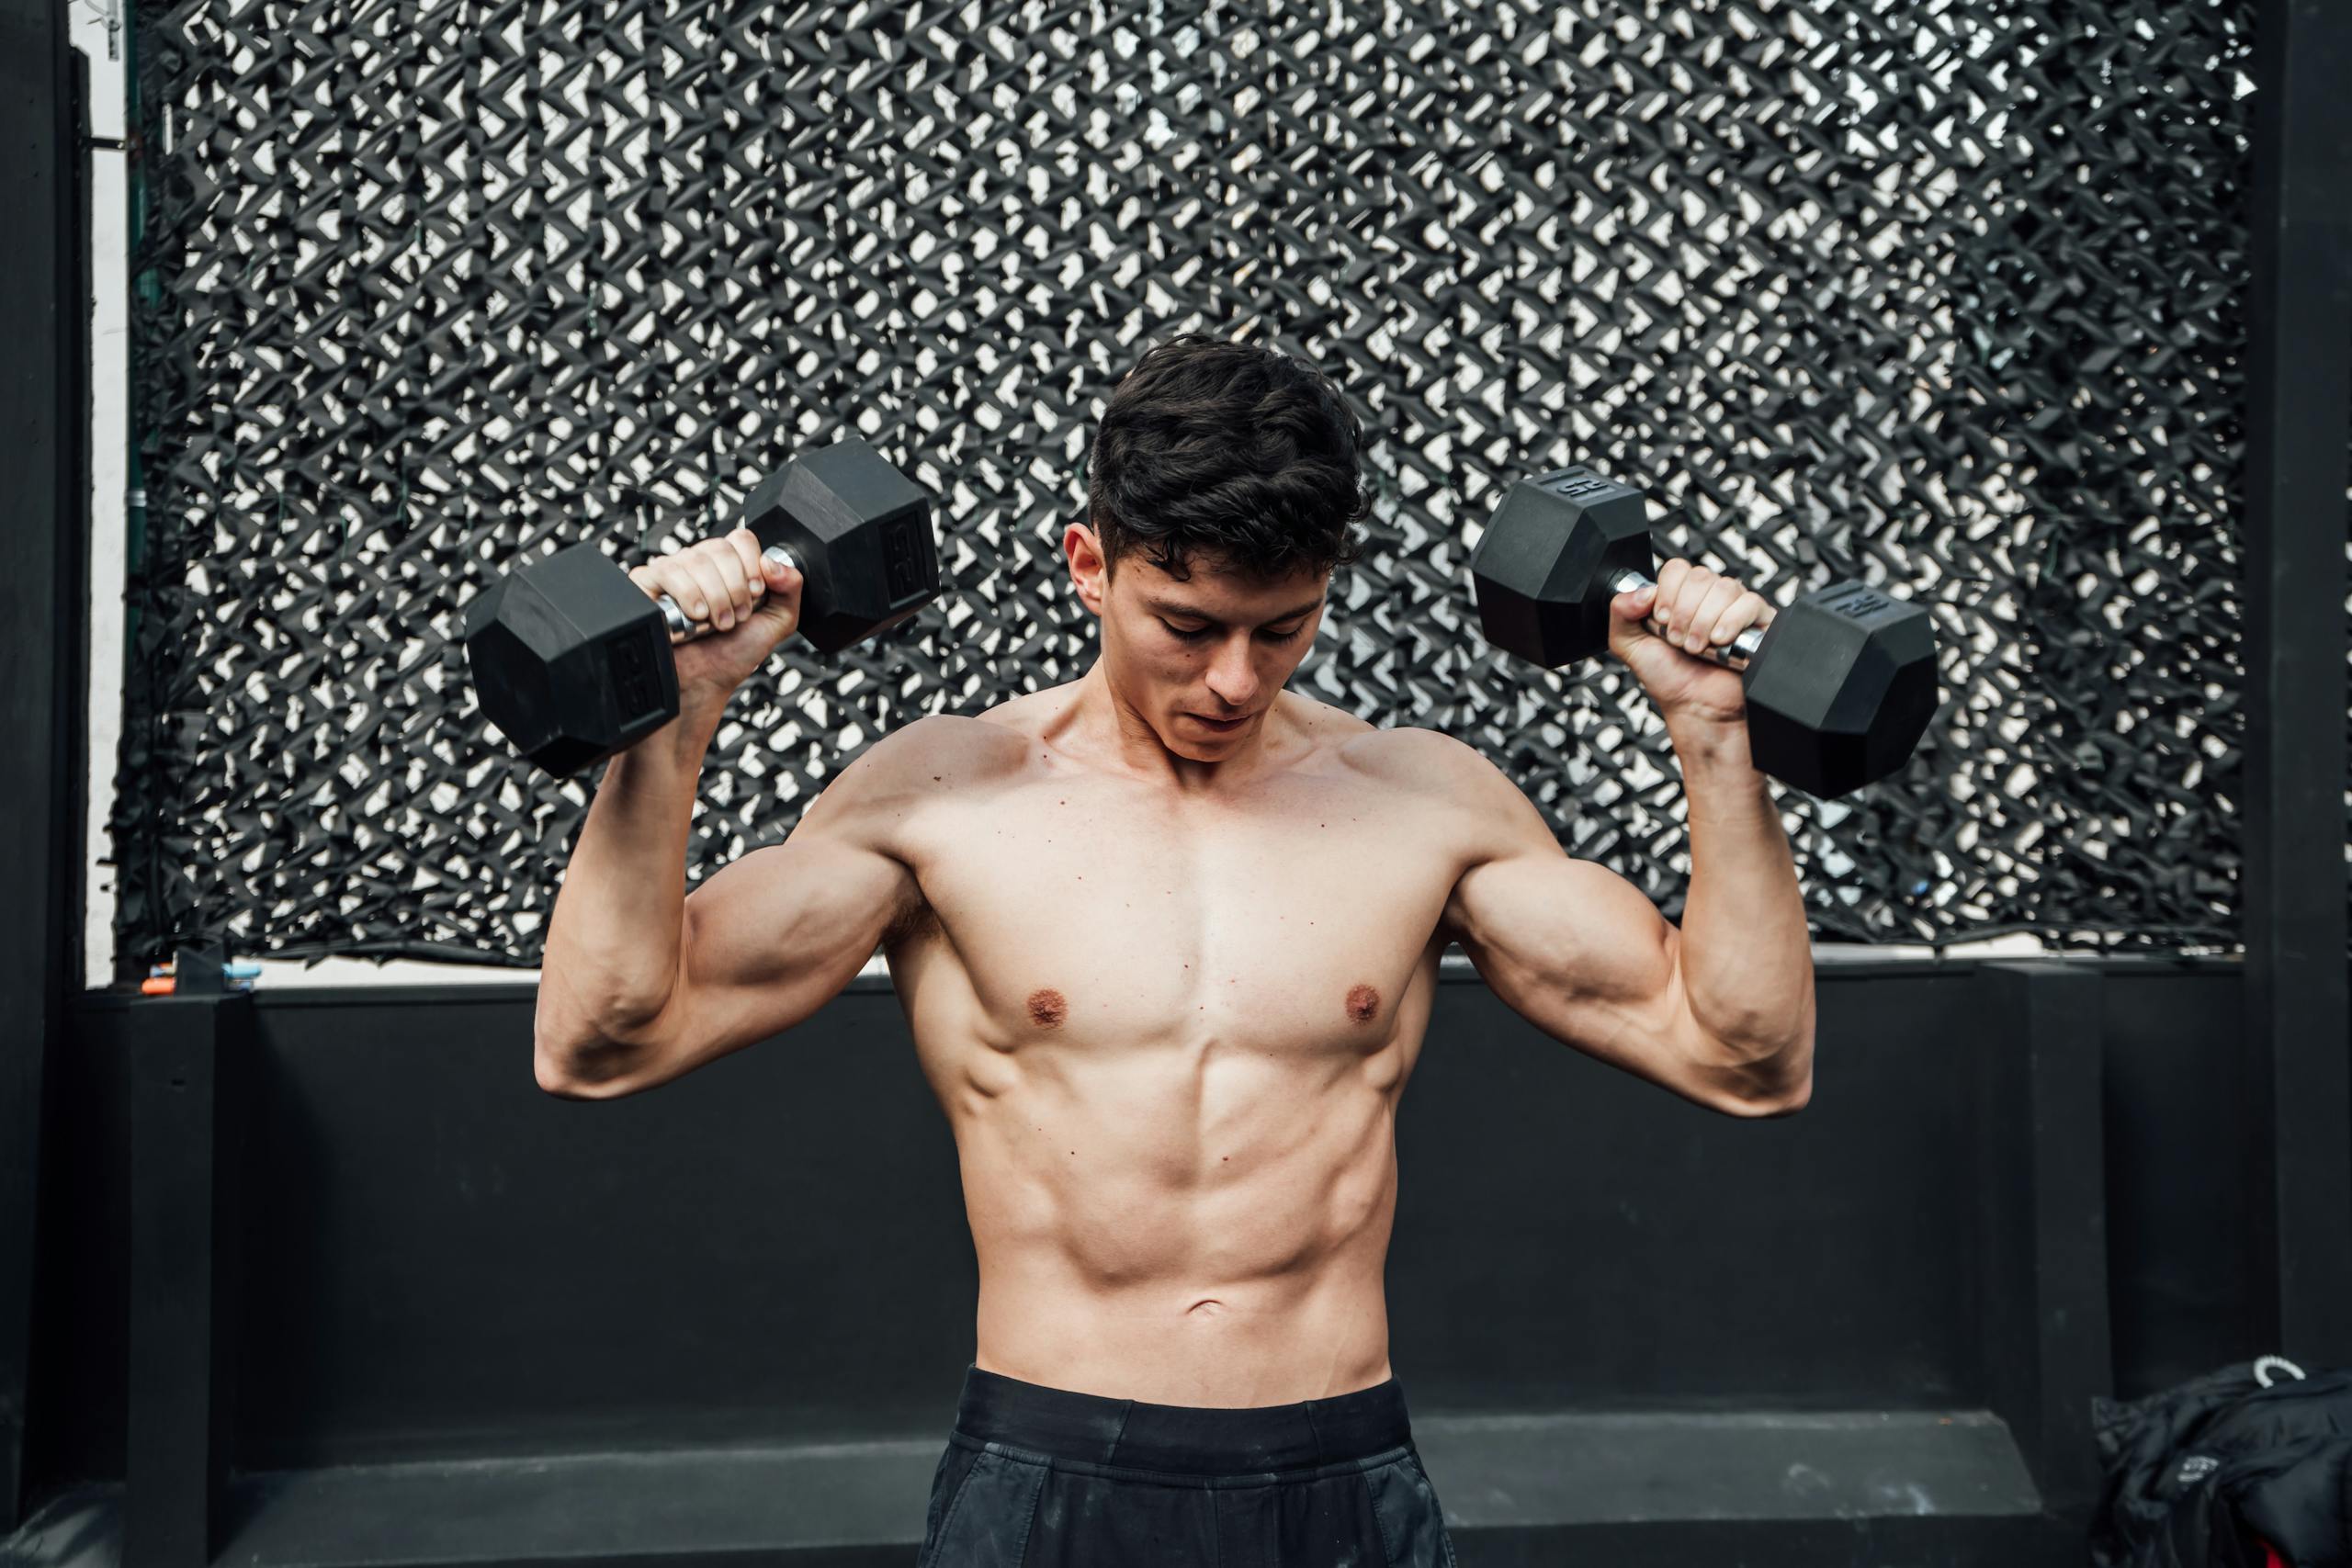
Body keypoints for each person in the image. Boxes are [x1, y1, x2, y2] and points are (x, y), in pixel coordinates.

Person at [530, 333, 1815, 1567]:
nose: (1235, 684)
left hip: (1342, 1472)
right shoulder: (941, 797)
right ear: (1090, 564)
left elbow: (1741, 1055)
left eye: (1284, 629)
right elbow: (605, 1043)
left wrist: (1712, 733)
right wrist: (674, 716)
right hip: (1053, 1469)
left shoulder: (1428, 805)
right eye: (1189, 626)